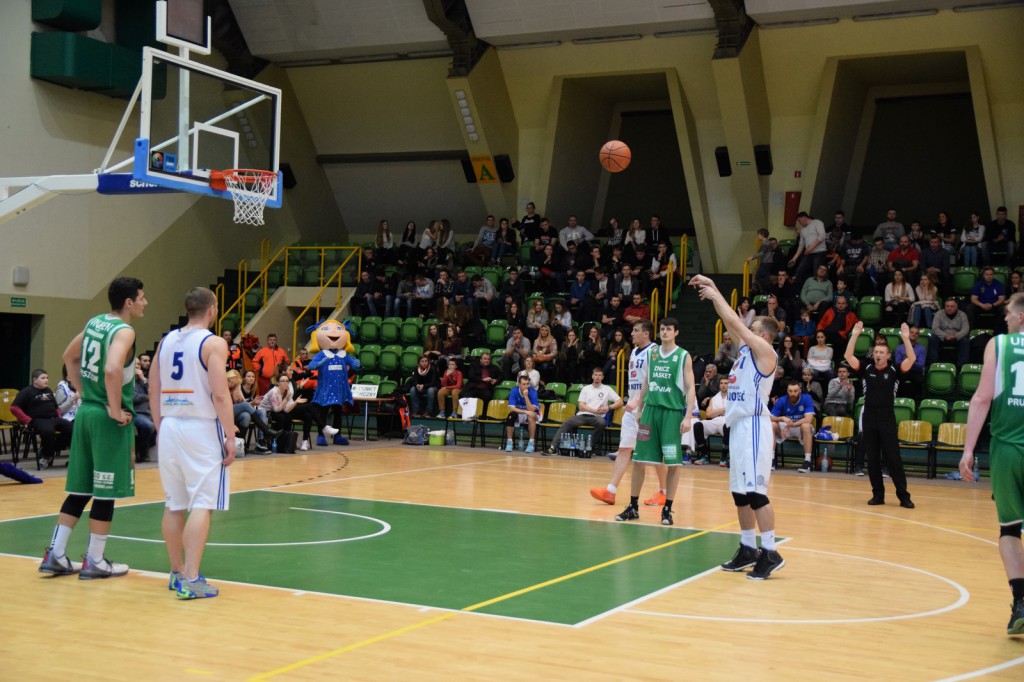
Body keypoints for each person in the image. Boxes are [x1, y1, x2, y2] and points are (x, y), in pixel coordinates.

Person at [37, 277, 147, 579]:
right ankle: (95, 560)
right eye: (141, 297)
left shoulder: (96, 322)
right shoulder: (125, 331)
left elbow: (68, 357)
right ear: (128, 302)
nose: (145, 302)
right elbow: (112, 369)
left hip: (85, 413)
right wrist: (113, 408)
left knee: (81, 488)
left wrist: (82, 390)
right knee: (105, 491)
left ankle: (56, 553)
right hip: (106, 418)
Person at [691, 273, 785, 579]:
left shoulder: (767, 354)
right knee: (740, 494)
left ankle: (770, 552)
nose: (746, 330)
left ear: (765, 336)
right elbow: (732, 323)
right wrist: (713, 294)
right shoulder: (745, 351)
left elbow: (738, 325)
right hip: (738, 425)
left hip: (755, 427)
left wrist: (716, 293)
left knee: (757, 493)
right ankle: (748, 547)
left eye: (753, 329)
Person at [147, 287, 235, 599]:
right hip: (201, 426)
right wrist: (230, 435)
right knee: (202, 503)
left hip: (170, 425)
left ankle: (175, 572)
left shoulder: (166, 340)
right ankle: (192, 578)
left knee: (174, 503)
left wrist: (160, 426)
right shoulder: (213, 342)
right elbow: (221, 393)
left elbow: (153, 386)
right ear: (212, 309)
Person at [959, 292, 1024, 635]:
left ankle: (1021, 602)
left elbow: (982, 397)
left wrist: (969, 449)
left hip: (1008, 449)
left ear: (1021, 318)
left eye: (1009, 314)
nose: (1005, 319)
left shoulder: (999, 345)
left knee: (1010, 529)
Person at [616, 317, 694, 527]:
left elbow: (690, 387)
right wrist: (640, 408)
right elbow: (646, 382)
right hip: (650, 411)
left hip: (671, 413)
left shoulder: (683, 356)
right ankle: (633, 506)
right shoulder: (653, 353)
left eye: (669, 329)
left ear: (676, 332)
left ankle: (667, 508)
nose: (665, 332)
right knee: (639, 460)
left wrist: (688, 416)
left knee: (673, 463)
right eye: (662, 329)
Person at [590, 320, 669, 506]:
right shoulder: (633, 352)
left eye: (635, 330)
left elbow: (654, 380)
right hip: (632, 407)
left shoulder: (655, 351)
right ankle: (611, 491)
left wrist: (639, 401)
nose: (631, 334)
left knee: (655, 453)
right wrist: (630, 399)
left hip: (649, 408)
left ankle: (664, 491)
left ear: (646, 334)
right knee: (624, 448)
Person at [844, 322, 916, 506]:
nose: (878, 355)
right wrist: (855, 335)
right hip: (869, 416)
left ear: (888, 355)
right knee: (873, 459)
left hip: (887, 418)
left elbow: (912, 359)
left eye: (881, 352)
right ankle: (878, 495)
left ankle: (903, 496)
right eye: (876, 352)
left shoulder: (895, 371)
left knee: (893, 458)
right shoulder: (866, 369)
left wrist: (906, 339)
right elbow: (848, 356)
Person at [544, 367, 622, 456]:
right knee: (567, 422)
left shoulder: (607, 389)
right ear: (592, 376)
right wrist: (594, 410)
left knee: (602, 423)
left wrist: (608, 407)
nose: (597, 377)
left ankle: (590, 448)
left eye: (599, 375)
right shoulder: (586, 389)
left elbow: (620, 401)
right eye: (595, 375)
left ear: (602, 377)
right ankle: (553, 448)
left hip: (597, 417)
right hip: (582, 415)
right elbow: (581, 406)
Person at [12, 369, 74, 469]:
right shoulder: (26, 392)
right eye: (43, 378)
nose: (46, 380)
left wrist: (58, 417)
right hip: (38, 420)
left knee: (74, 429)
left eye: (47, 378)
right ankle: (46, 456)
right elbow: (14, 408)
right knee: (48, 431)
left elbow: (56, 407)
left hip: (54, 419)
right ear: (34, 380)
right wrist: (26, 420)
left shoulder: (48, 390)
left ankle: (49, 449)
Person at [771, 380, 817, 474]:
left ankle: (807, 461)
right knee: (772, 424)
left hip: (799, 427)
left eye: (795, 391)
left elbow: (808, 419)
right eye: (790, 391)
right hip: (785, 426)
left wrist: (790, 425)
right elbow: (770, 417)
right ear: (787, 391)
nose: (793, 393)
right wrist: (782, 418)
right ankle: (771, 460)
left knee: (806, 426)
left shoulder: (807, 398)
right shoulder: (782, 400)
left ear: (800, 390)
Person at [505, 372, 541, 453]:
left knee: (531, 416)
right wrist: (525, 412)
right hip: (521, 413)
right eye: (524, 384)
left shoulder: (533, 392)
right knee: (511, 415)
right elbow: (512, 408)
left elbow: (531, 410)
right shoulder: (514, 391)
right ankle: (509, 442)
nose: (526, 386)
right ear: (519, 384)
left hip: (534, 414)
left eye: (527, 384)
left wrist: (526, 396)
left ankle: (531, 443)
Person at [928, 298, 971, 366]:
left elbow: (966, 329)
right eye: (947, 306)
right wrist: (945, 335)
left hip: (957, 337)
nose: (949, 308)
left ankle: (961, 366)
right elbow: (935, 328)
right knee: (932, 338)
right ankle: (933, 365)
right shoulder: (939, 314)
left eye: (952, 306)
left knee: (965, 340)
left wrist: (955, 336)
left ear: (956, 307)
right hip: (942, 337)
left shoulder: (962, 314)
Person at [789, 211, 828, 286]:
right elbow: (801, 245)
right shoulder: (803, 230)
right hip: (809, 253)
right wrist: (794, 258)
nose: (799, 222)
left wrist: (810, 247)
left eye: (799, 220)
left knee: (818, 272)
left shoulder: (817, 222)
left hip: (819, 252)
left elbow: (822, 236)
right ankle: (798, 289)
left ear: (804, 218)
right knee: (800, 270)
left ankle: (819, 289)